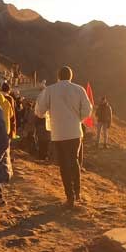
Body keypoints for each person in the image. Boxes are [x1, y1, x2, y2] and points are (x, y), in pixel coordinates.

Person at [35, 66, 93, 208]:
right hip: (74, 132)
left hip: (58, 133)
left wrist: (45, 114)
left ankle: (70, 197)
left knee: (63, 165)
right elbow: (88, 109)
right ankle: (77, 192)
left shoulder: (49, 90)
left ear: (58, 77)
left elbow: (39, 110)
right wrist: (77, 118)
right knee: (74, 162)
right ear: (71, 77)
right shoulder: (79, 89)